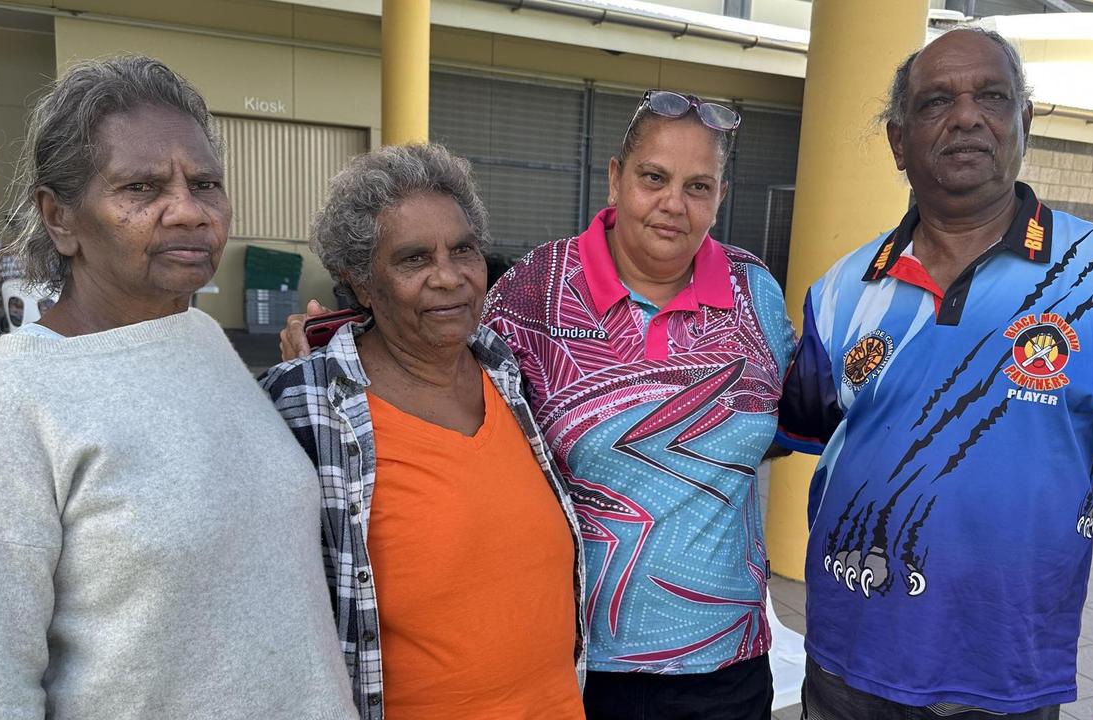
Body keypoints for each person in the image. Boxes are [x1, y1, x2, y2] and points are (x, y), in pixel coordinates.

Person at [281, 92, 794, 719]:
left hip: (729, 661)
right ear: (614, 177)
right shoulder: (535, 291)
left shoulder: (755, 291)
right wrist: (328, 340)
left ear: (720, 195)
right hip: (591, 666)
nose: (672, 204)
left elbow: (781, 422)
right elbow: (431, 336)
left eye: (698, 185)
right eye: (653, 177)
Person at [778, 28, 1093, 720]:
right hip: (847, 667)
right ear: (898, 140)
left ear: (1024, 122)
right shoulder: (842, 289)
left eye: (992, 96)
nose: (967, 116)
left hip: (1006, 680)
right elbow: (777, 433)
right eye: (937, 101)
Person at [0, 56, 356, 719]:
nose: (188, 211)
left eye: (206, 183)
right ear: (60, 217)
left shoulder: (203, 342)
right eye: (141, 188)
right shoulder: (2, 404)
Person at [260, 143, 587, 720]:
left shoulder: (509, 374)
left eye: (464, 250)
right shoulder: (304, 407)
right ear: (359, 281)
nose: (450, 277)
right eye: (414, 259)